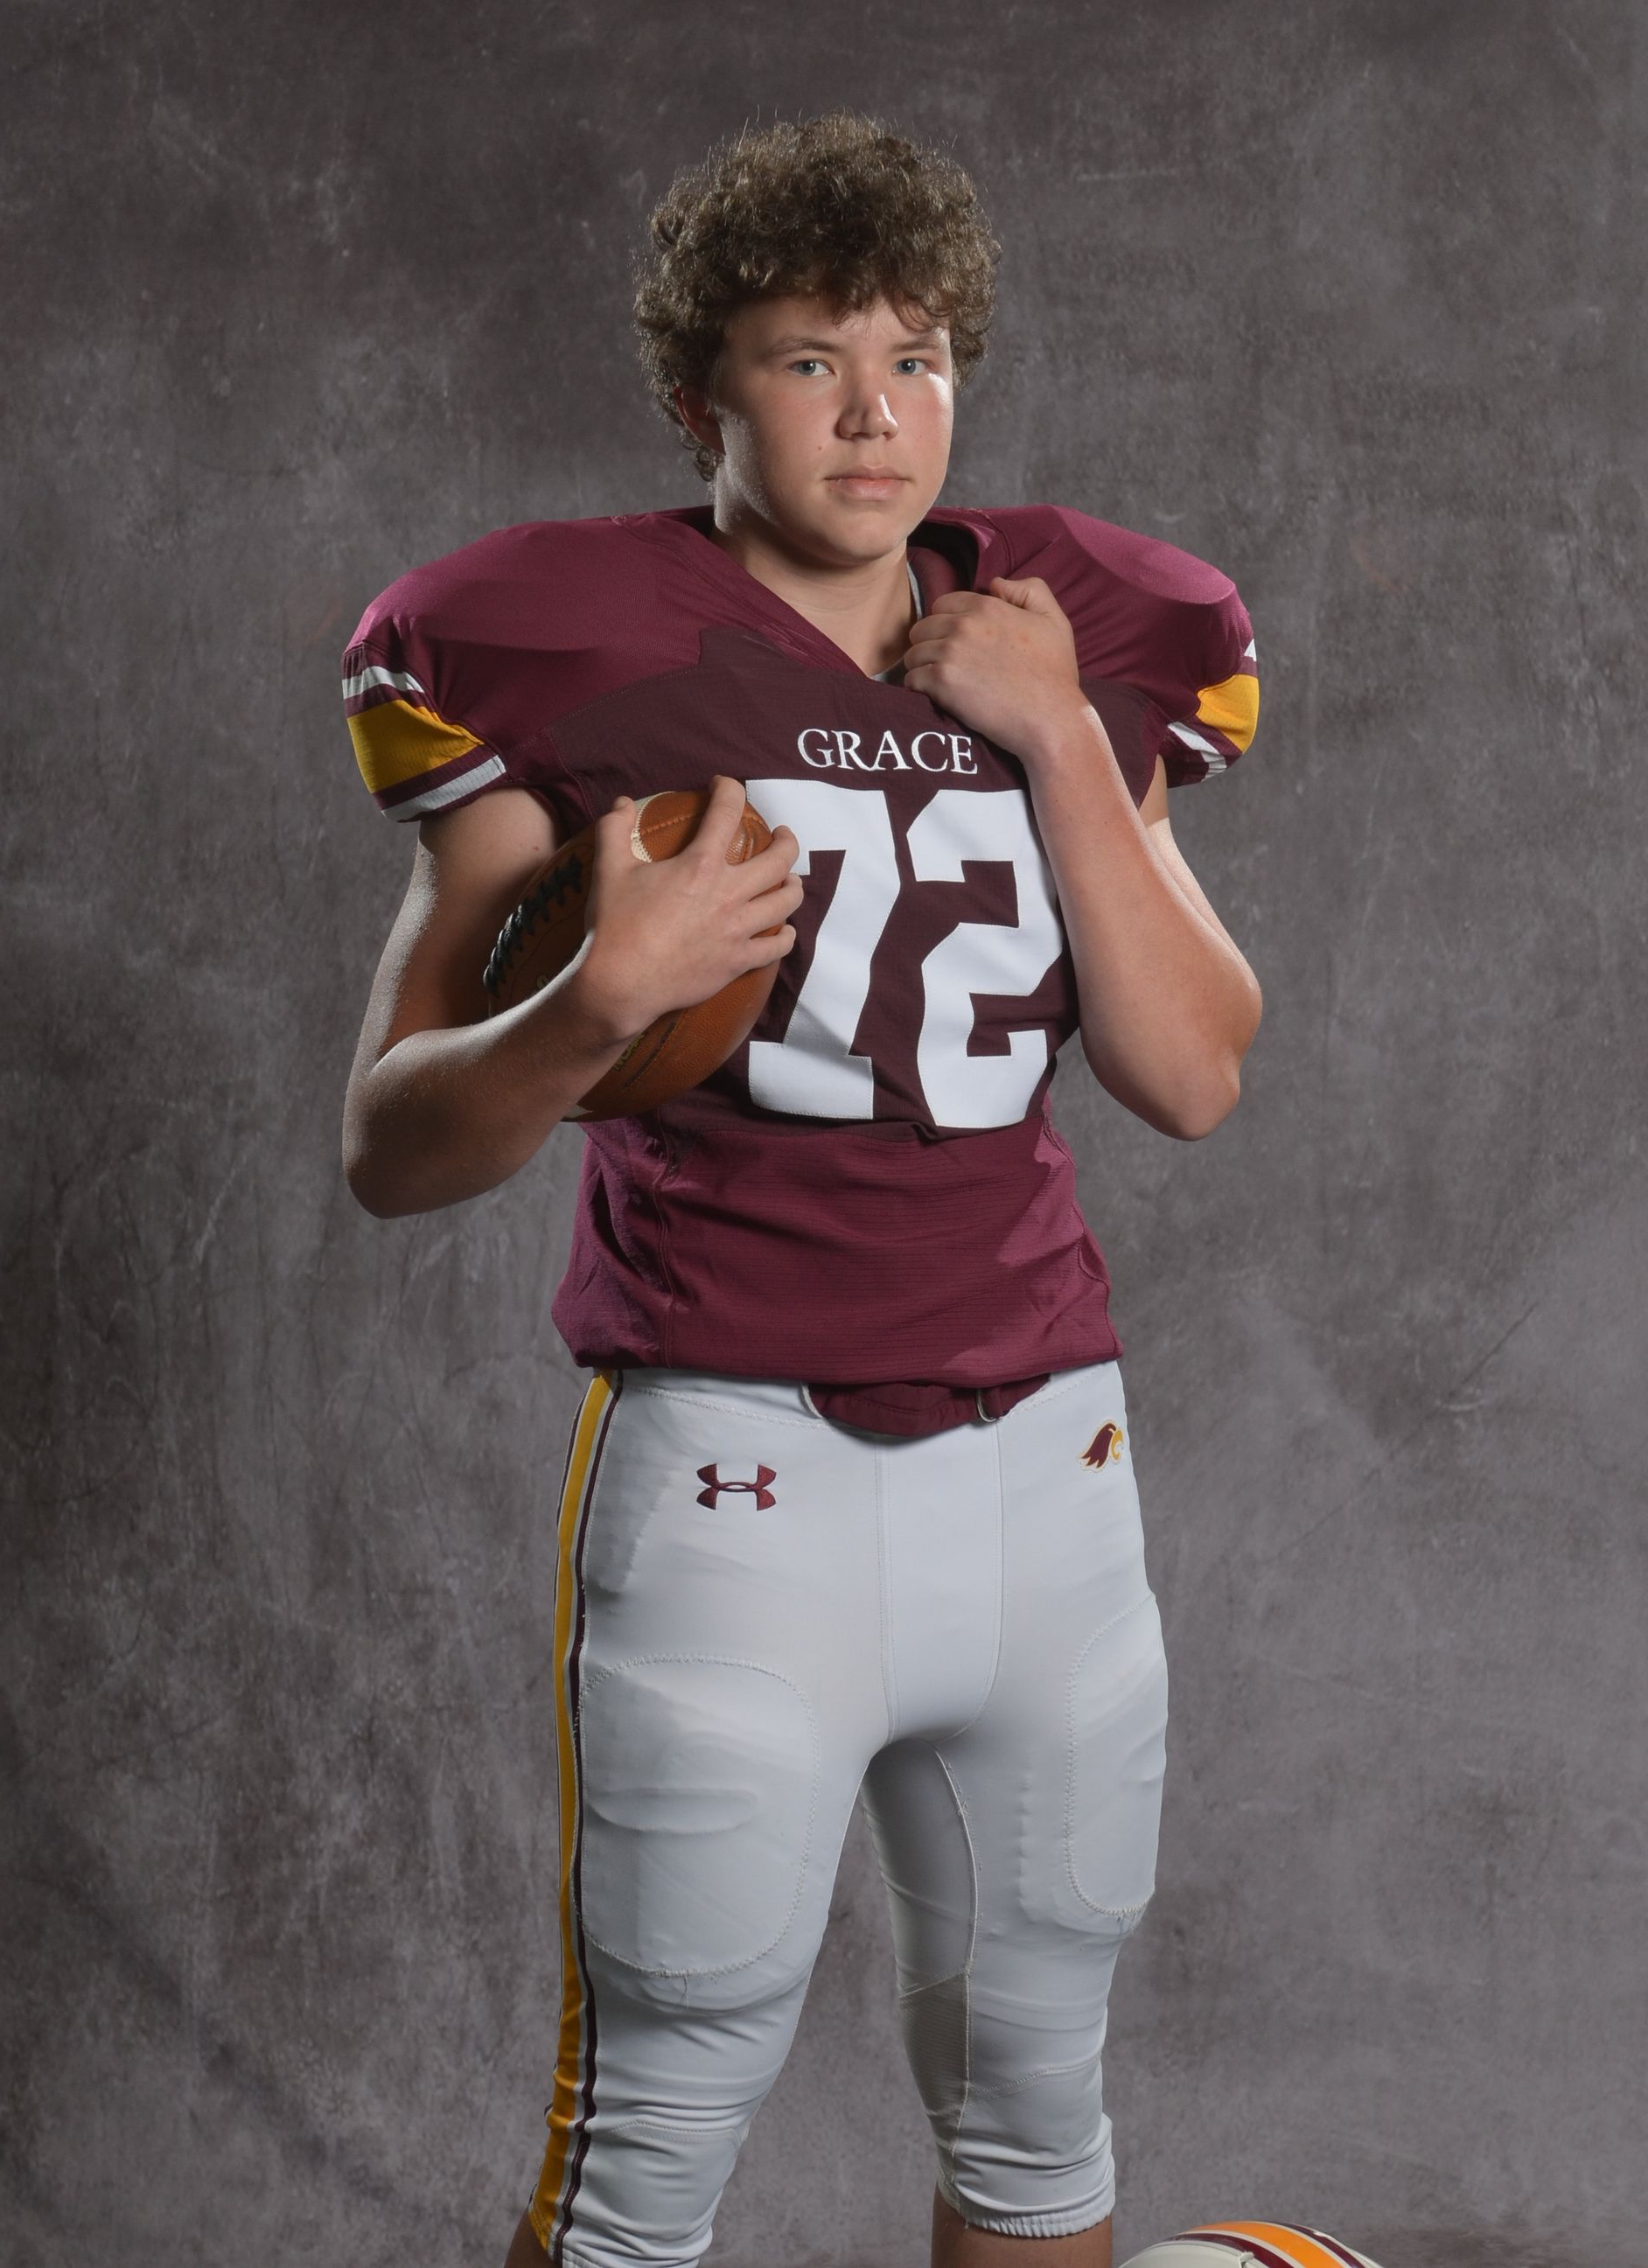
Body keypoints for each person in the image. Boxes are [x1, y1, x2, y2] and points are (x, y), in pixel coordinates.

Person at [340, 114, 1260, 2268]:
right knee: (653, 2129)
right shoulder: (562, 643)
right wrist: (598, 1003)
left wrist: (1048, 737)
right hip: (739, 1461)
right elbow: (388, 1141)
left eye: (918, 357)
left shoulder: (1073, 636)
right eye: (808, 358)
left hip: (1054, 1460)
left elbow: (1193, 1069)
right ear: (701, 394)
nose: (875, 411)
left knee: (1042, 2105)